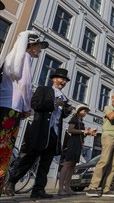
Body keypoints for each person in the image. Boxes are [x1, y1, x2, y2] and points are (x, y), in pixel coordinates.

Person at [4, 68, 72, 199]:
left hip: (54, 133)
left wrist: (67, 110)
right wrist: (53, 104)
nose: (63, 82)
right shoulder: (44, 89)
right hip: (40, 131)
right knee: (28, 160)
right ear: (53, 79)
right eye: (60, 79)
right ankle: (11, 183)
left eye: (64, 80)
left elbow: (61, 115)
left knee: (45, 164)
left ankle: (38, 189)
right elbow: (35, 104)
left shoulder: (64, 97)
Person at [0, 31, 48, 193]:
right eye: (39, 46)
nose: (40, 50)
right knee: (4, 150)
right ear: (31, 45)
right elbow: (25, 85)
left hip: (3, 105)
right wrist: (28, 108)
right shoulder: (25, 57)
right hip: (14, 108)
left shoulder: (10, 57)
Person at [58, 104, 96, 196]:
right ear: (79, 111)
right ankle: (60, 189)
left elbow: (81, 134)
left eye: (86, 111)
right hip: (73, 144)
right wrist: (83, 131)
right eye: (84, 111)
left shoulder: (81, 122)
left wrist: (89, 133)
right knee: (67, 164)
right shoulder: (74, 119)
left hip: (78, 144)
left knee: (72, 165)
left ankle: (67, 188)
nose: (85, 112)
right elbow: (70, 130)